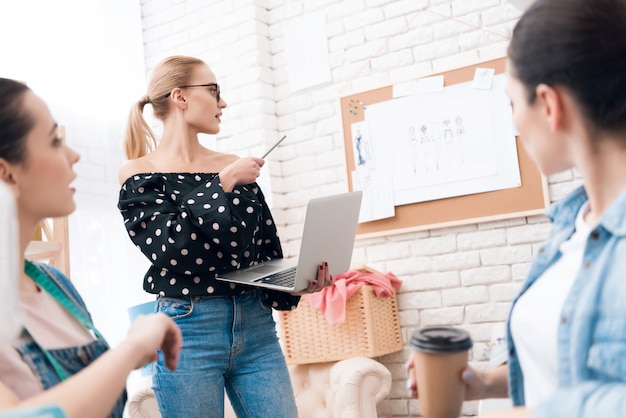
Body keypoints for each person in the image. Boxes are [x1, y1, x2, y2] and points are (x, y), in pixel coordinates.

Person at [408, 0, 626, 416]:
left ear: (548, 104)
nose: (513, 123)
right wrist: (482, 383)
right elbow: (568, 365)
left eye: (512, 103)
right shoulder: (571, 226)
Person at [117, 55, 333, 418]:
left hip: (256, 327)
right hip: (187, 331)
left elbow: (263, 252)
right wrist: (221, 184)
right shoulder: (139, 173)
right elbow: (171, 248)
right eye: (214, 90)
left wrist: (292, 285)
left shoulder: (231, 163)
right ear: (180, 97)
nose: (223, 102)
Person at [0, 77, 183, 418]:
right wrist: (132, 349)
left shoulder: (56, 285)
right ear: (5, 172)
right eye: (55, 141)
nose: (74, 154)